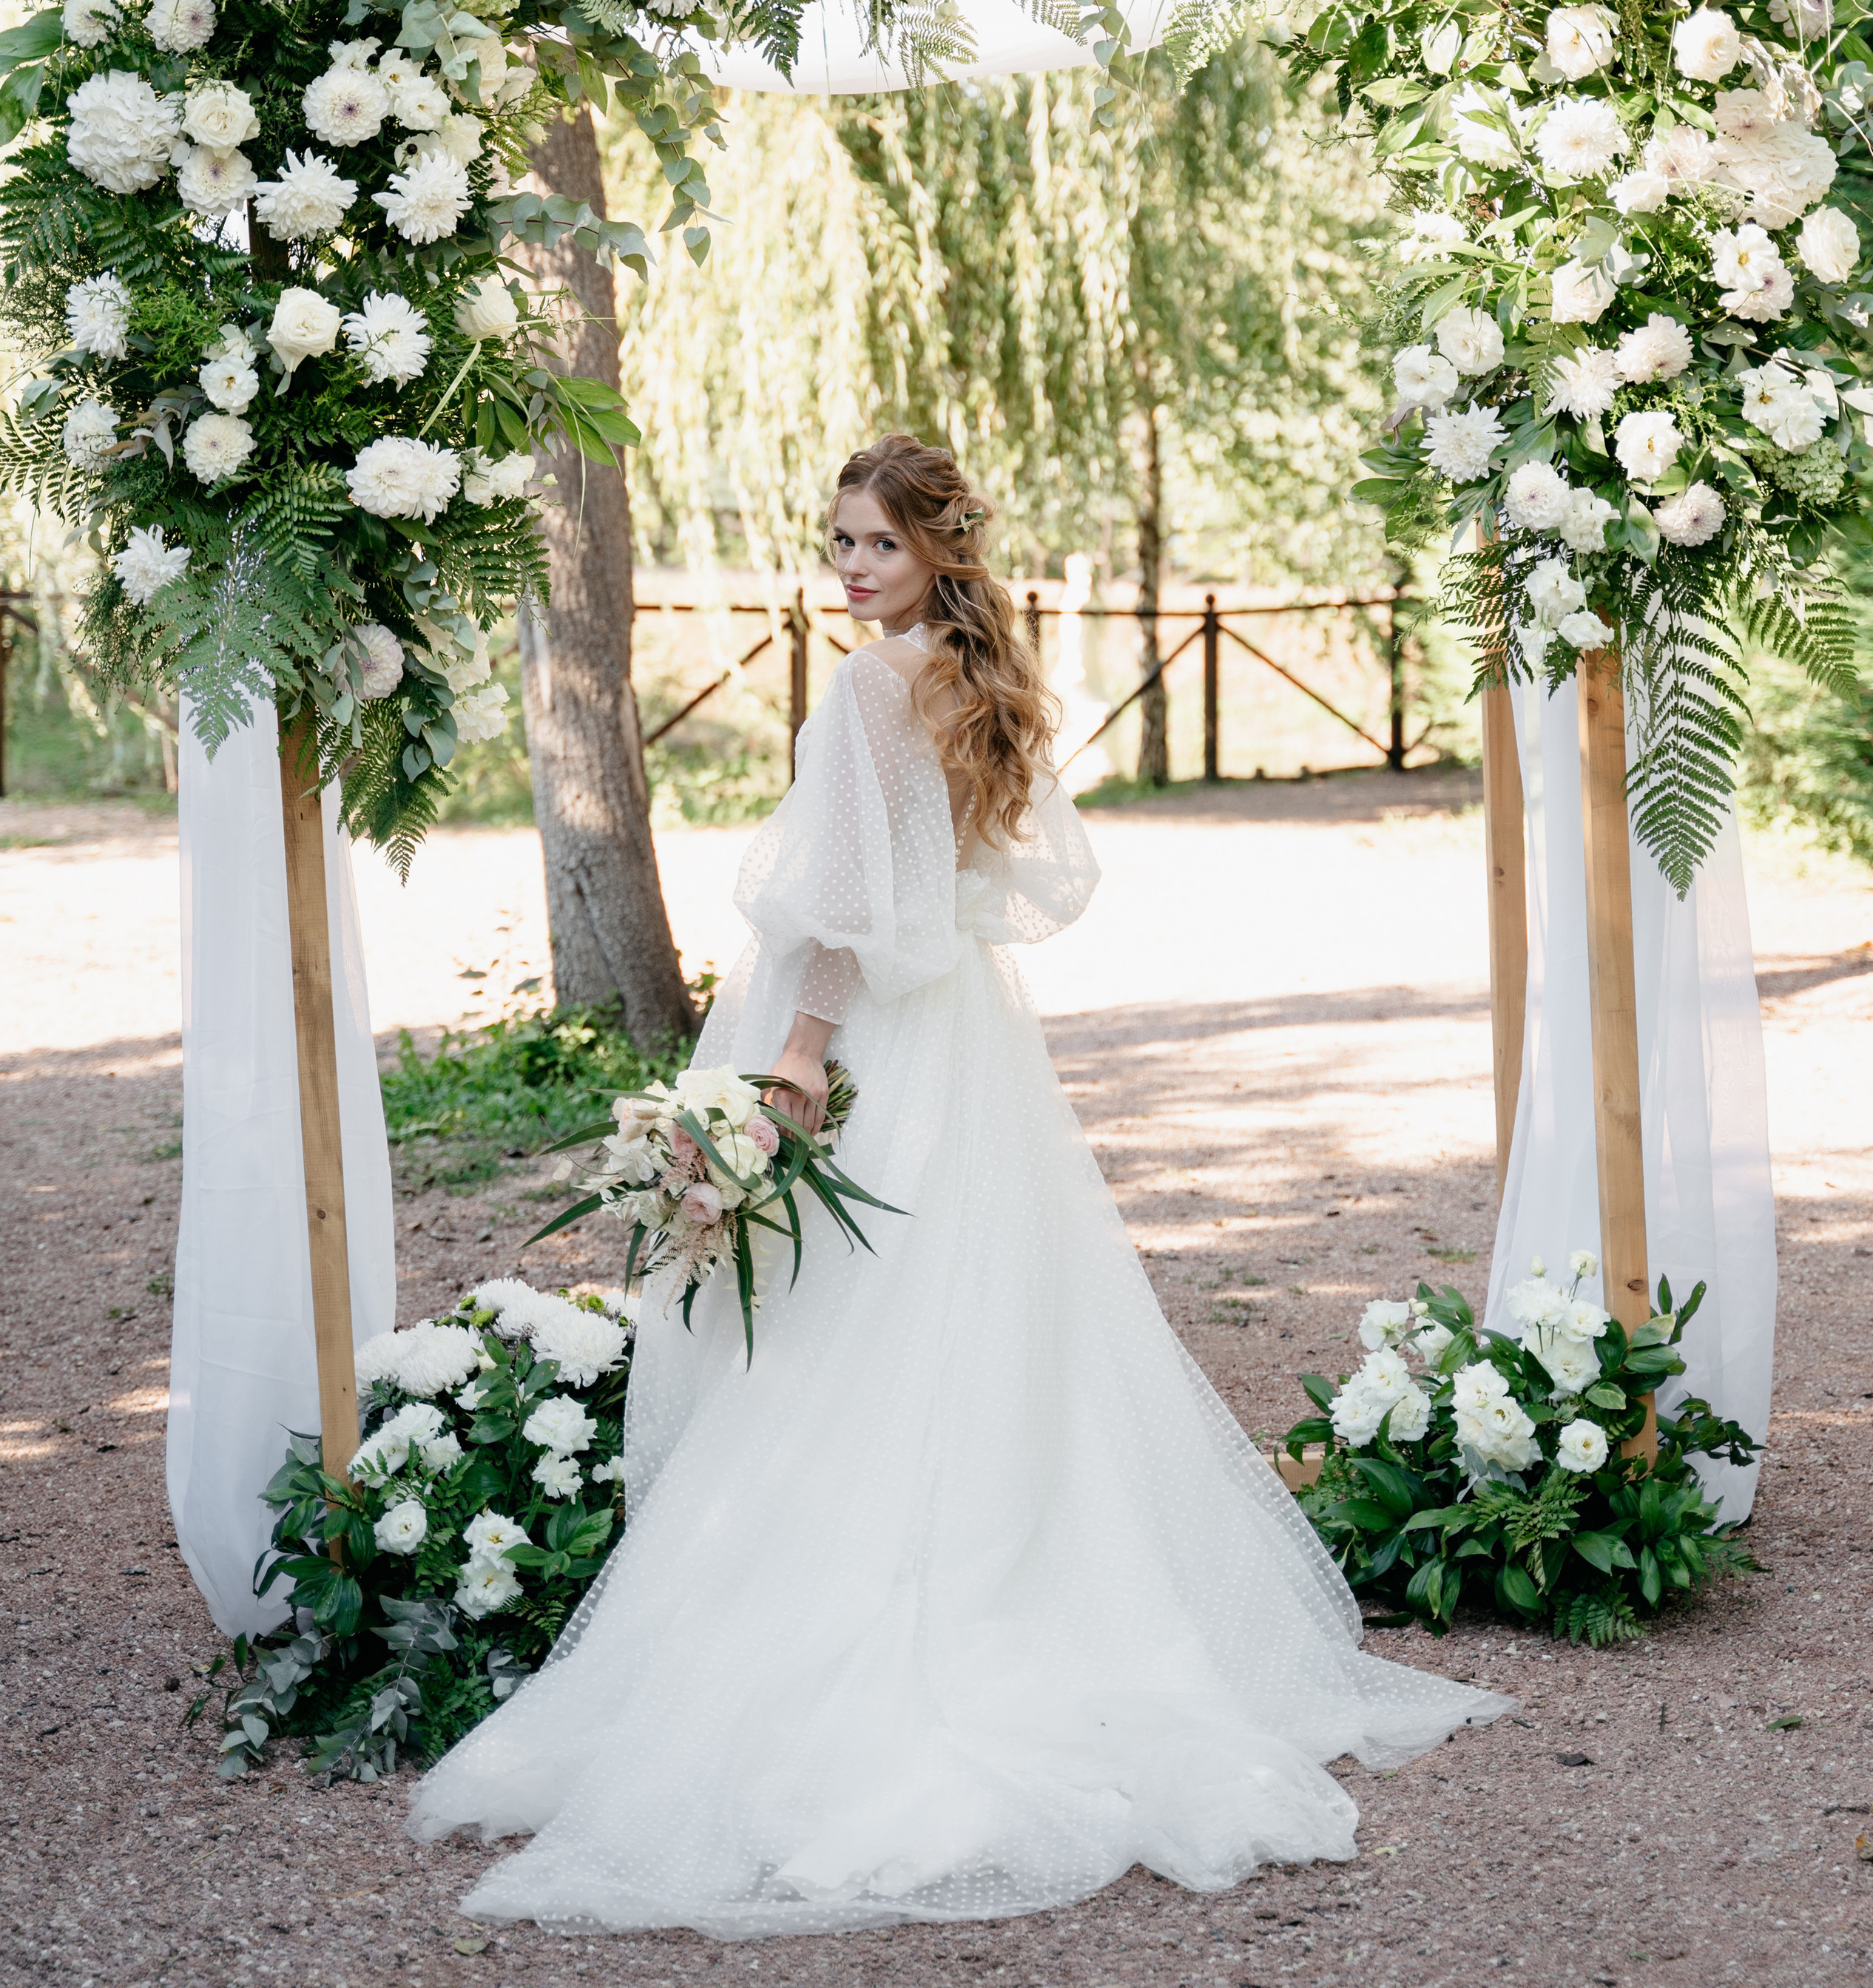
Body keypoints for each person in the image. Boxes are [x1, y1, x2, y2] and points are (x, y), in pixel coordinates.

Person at [410, 433, 1507, 1935]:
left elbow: (846, 909)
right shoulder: (966, 674)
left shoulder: (871, 686)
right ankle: (1020, 1592)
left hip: (878, 1042)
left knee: (855, 1329)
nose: (847, 567)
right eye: (836, 542)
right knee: (971, 1316)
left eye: (872, 543)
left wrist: (793, 1058)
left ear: (932, 550)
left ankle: (867, 1627)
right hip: (972, 1041)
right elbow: (999, 882)